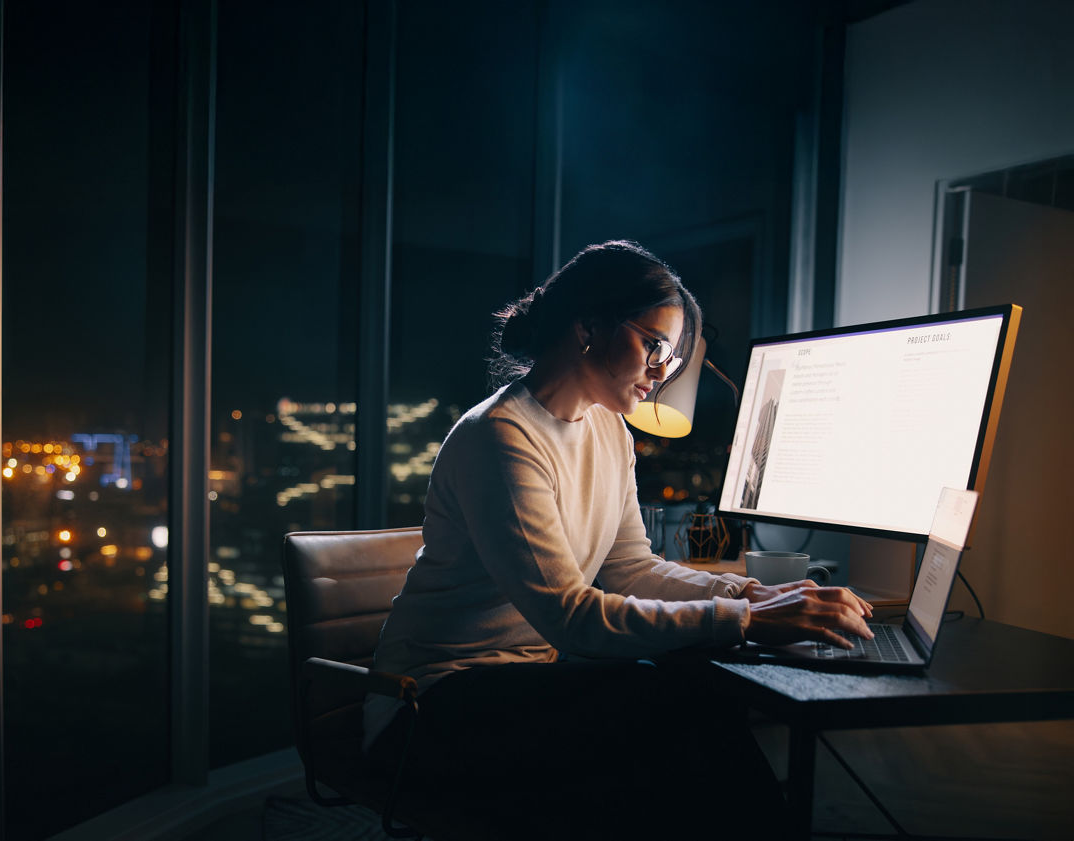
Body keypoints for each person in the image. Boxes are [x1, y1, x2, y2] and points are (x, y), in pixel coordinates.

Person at [363, 240, 874, 838]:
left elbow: (632, 567)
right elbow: (571, 616)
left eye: (671, 355)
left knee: (685, 701)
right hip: (429, 706)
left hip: (525, 685)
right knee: (663, 703)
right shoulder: (500, 438)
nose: (664, 370)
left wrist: (751, 596)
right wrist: (746, 620)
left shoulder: (609, 429)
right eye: (654, 345)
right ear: (587, 328)